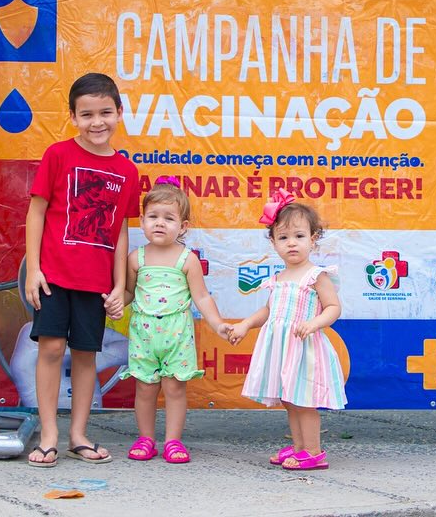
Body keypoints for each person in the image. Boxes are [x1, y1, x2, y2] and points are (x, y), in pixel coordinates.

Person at [24, 72, 139, 467]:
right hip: (54, 276)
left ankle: (78, 435)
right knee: (51, 348)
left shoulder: (127, 171)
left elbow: (121, 231)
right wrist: (34, 269)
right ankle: (49, 435)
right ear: (73, 116)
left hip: (96, 283)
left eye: (105, 112)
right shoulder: (57, 155)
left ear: (119, 112)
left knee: (86, 355)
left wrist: (120, 285)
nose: (97, 122)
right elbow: (36, 212)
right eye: (87, 114)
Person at [225, 190, 347, 471]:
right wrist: (245, 325)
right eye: (283, 237)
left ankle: (314, 452)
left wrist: (314, 323)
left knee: (304, 401)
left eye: (299, 236)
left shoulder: (317, 275)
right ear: (273, 243)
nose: (291, 243)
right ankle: (299, 447)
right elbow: (268, 311)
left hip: (305, 349)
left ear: (313, 239)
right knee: (290, 400)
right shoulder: (278, 278)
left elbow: (333, 308)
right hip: (283, 349)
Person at [119, 176, 230, 464]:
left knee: (174, 388)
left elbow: (202, 297)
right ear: (143, 221)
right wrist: (115, 303)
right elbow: (129, 293)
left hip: (177, 335)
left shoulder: (187, 260)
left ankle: (173, 441)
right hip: (143, 335)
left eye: (169, 218)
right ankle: (146, 438)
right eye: (153, 217)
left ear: (183, 226)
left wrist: (218, 323)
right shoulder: (136, 258)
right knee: (144, 389)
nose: (160, 223)